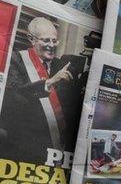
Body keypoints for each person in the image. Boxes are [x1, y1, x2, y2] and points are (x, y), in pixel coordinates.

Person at [0, 17, 75, 163]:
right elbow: (15, 96)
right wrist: (48, 82)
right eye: (46, 40)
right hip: (26, 145)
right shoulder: (16, 60)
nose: (51, 45)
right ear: (31, 39)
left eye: (54, 41)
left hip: (60, 146)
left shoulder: (61, 65)